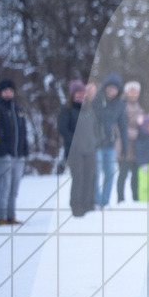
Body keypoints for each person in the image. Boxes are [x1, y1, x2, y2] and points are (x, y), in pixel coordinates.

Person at [60, 82, 99, 217]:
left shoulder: (89, 108)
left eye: (82, 93)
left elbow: (95, 127)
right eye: (77, 93)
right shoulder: (67, 109)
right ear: (72, 94)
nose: (80, 95)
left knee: (90, 177)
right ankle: (76, 207)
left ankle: (88, 205)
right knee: (78, 178)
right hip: (75, 151)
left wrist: (95, 141)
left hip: (90, 149)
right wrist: (75, 142)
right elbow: (63, 129)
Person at [0, 79, 28, 225]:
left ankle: (11, 216)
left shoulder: (18, 110)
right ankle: (0, 216)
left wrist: (25, 149)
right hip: (3, 156)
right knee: (4, 187)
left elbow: (23, 132)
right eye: (5, 91)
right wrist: (1, 148)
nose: (8, 93)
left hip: (18, 155)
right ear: (0, 92)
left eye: (10, 90)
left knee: (14, 188)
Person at [94, 73, 128, 208]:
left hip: (110, 144)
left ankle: (105, 202)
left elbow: (123, 126)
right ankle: (97, 200)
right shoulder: (97, 99)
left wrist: (124, 146)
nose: (111, 90)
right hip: (96, 144)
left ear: (118, 90)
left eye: (114, 88)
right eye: (110, 87)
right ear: (105, 87)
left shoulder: (120, 104)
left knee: (110, 173)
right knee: (96, 173)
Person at [117, 81, 144, 203]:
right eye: (131, 91)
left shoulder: (139, 107)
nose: (134, 94)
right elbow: (119, 127)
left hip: (136, 148)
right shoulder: (121, 106)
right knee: (123, 174)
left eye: (136, 92)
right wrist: (136, 134)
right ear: (127, 92)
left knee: (135, 175)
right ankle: (120, 199)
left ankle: (136, 198)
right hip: (124, 146)